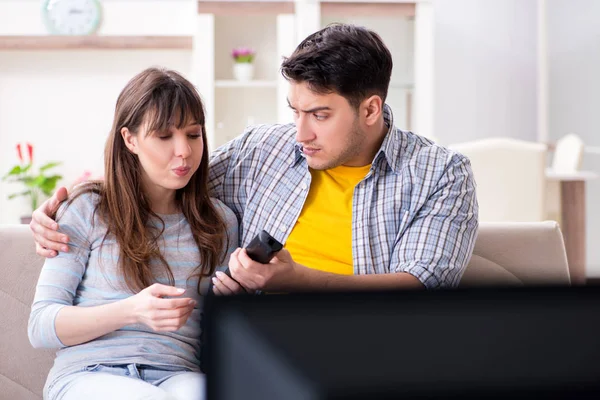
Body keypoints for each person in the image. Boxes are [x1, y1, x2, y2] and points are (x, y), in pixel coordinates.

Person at [30, 24, 477, 295]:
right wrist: (75, 206)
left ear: (370, 109)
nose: (301, 133)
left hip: (366, 344)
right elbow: (171, 174)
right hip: (259, 341)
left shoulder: (439, 174)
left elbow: (422, 288)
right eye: (295, 111)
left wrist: (298, 281)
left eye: (320, 115)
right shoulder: (263, 149)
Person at [28, 67, 238, 400]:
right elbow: (40, 326)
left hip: (176, 374)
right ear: (130, 139)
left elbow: (221, 336)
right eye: (165, 136)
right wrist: (132, 310)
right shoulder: (88, 208)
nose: (183, 150)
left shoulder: (219, 222)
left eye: (193, 134)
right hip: (88, 373)